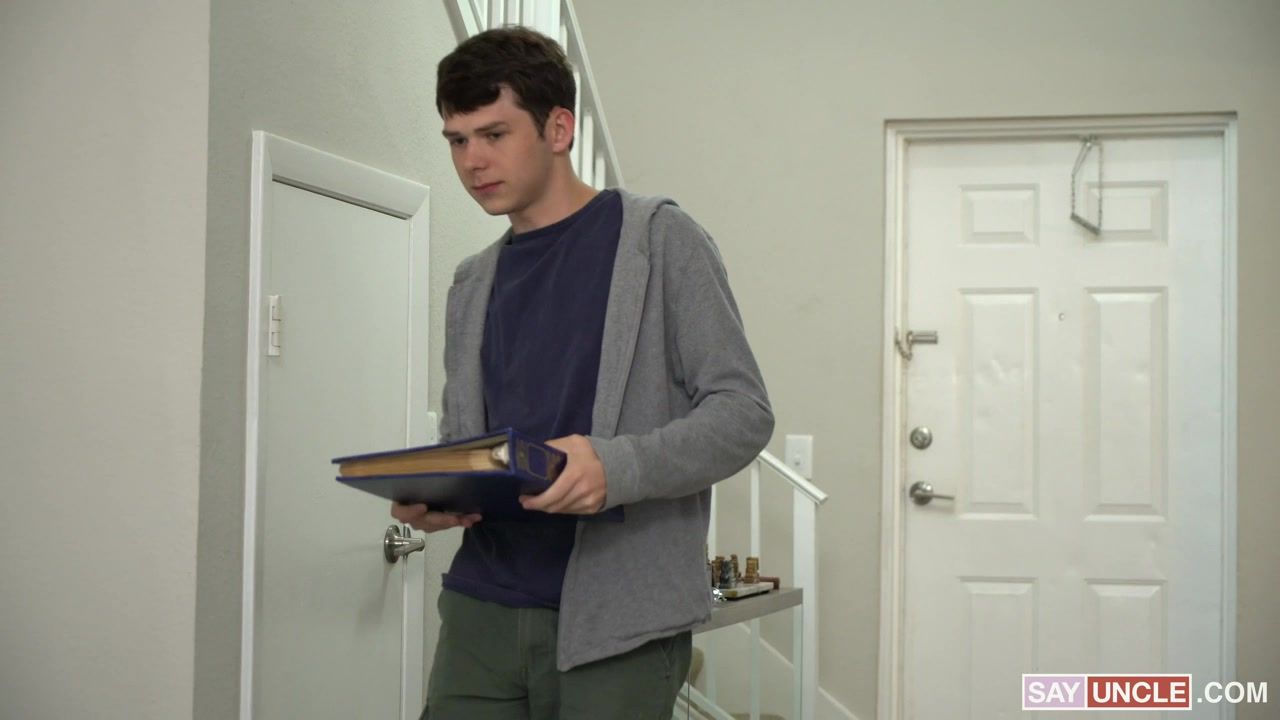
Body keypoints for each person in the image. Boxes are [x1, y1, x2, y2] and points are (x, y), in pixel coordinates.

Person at [391, 26, 773, 720]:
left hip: (618, 622)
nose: (472, 160)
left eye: (494, 134)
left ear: (559, 129)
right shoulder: (472, 282)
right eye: (457, 140)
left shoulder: (661, 241)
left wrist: (617, 466)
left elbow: (743, 414)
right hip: (481, 609)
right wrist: (441, 492)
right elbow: (470, 439)